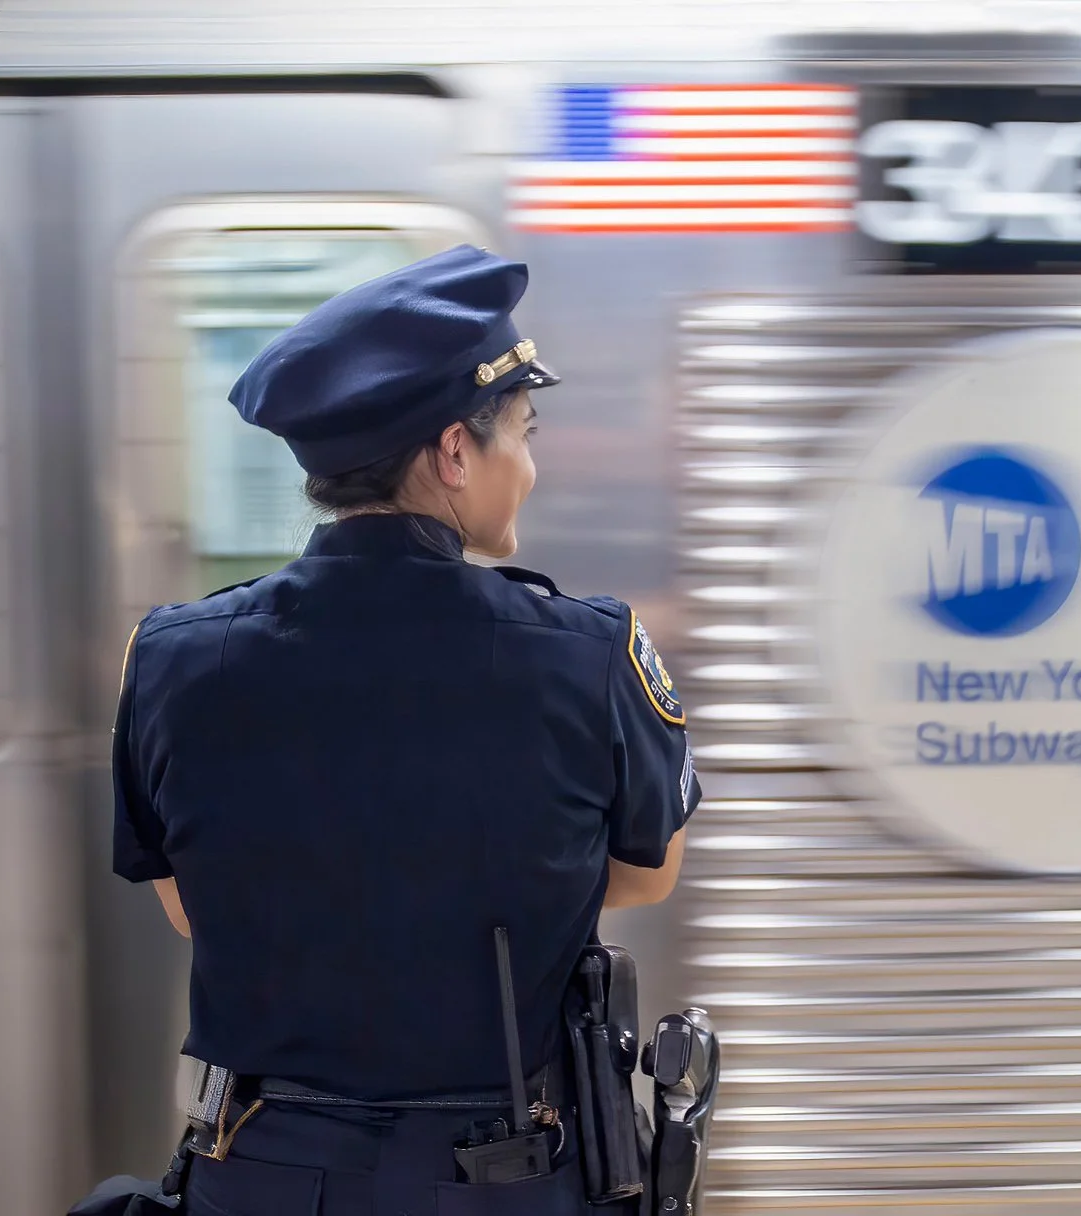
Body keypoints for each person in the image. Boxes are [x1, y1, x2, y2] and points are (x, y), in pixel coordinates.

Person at [79, 245, 700, 1215]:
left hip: (258, 1173)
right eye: (522, 435)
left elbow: (191, 904)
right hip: (504, 1179)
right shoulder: (591, 653)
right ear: (455, 452)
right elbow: (647, 871)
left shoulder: (170, 656)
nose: (530, 470)